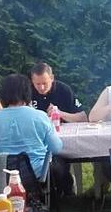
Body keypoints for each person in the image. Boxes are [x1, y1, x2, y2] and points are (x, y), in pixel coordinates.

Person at [0, 74, 63, 190]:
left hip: (2, 175)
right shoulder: (41, 117)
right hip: (35, 174)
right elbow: (56, 148)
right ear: (27, 93)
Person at [29, 62, 84, 196]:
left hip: (61, 136)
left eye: (45, 83)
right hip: (37, 140)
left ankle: (67, 188)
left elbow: (82, 117)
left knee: (60, 159)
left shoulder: (64, 90)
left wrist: (60, 114)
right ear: (32, 81)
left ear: (52, 78)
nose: (41, 88)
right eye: (37, 84)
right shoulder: (27, 92)